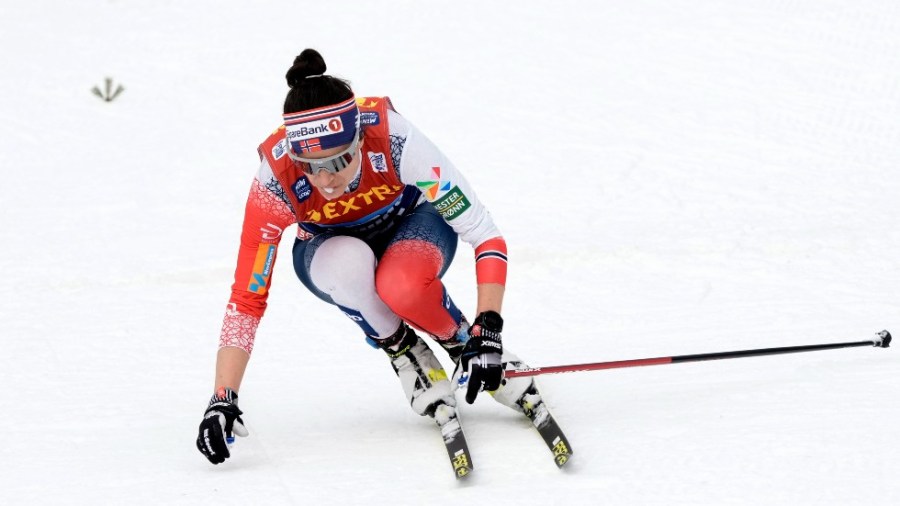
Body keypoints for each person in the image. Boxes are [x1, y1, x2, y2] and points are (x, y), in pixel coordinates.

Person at [196, 49, 545, 465]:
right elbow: (247, 297)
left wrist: (488, 329)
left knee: (401, 283)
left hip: (414, 224)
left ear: (361, 137)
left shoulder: (395, 138)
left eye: (340, 160)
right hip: (331, 250)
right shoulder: (274, 181)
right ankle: (404, 351)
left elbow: (483, 233)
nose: (326, 180)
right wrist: (222, 397)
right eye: (309, 166)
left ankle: (461, 341)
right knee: (346, 264)